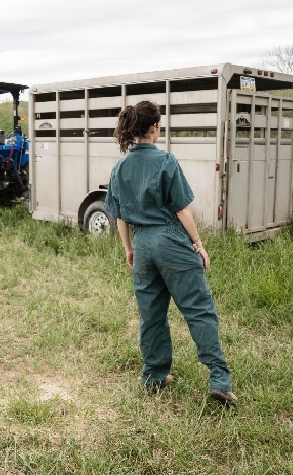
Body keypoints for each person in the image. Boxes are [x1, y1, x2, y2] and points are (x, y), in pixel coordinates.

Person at [104, 100, 238, 406]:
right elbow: (182, 211)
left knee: (151, 314)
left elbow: (121, 216)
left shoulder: (119, 167)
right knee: (198, 308)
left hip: (142, 246)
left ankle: (154, 375)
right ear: (153, 128)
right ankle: (219, 379)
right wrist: (199, 245)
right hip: (171, 241)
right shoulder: (166, 161)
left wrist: (129, 249)